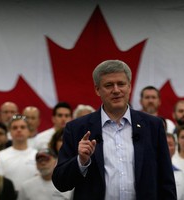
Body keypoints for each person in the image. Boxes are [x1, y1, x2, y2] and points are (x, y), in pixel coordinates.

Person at [52, 60, 177, 199]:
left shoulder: (154, 126)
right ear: (97, 90)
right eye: (109, 85)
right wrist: (81, 161)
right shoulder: (77, 129)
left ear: (129, 86)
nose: (116, 90)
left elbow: (167, 182)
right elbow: (60, 183)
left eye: (121, 84)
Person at [0, 114, 38, 192]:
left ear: (28, 131)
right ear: (10, 132)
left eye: (22, 127)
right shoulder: (0, 156)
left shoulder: (37, 155)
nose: (19, 130)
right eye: (15, 128)